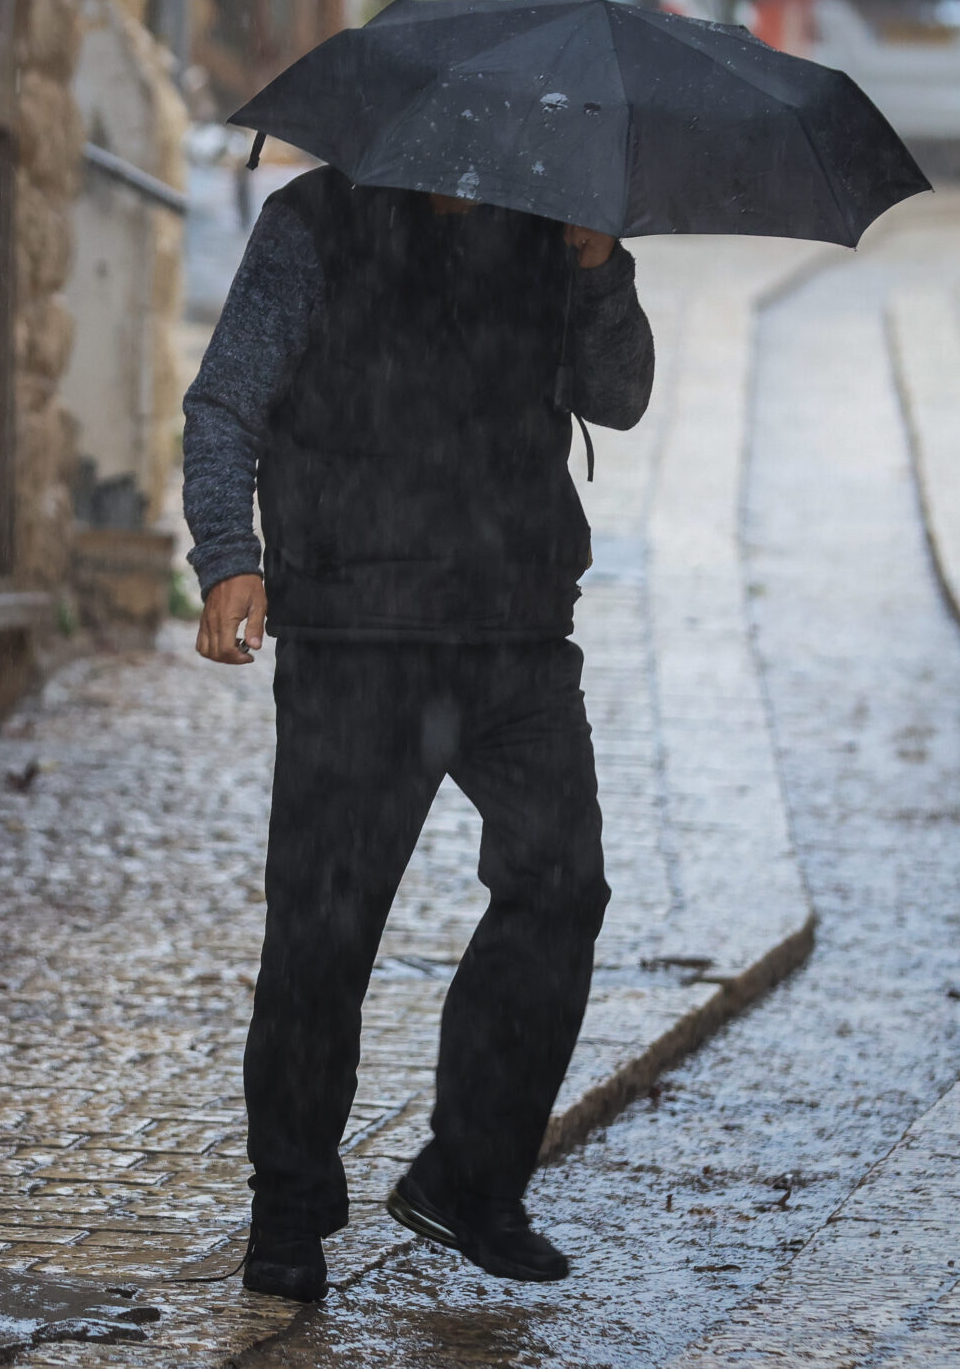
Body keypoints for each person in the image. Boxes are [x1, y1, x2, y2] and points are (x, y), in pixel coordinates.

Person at [182, 166, 654, 1304]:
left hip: (515, 630)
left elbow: (618, 396)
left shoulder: (556, 226)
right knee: (322, 932)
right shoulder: (314, 223)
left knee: (561, 888)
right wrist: (228, 557)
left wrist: (598, 273)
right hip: (357, 630)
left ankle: (470, 1178)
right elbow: (226, 399)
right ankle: (289, 1208)